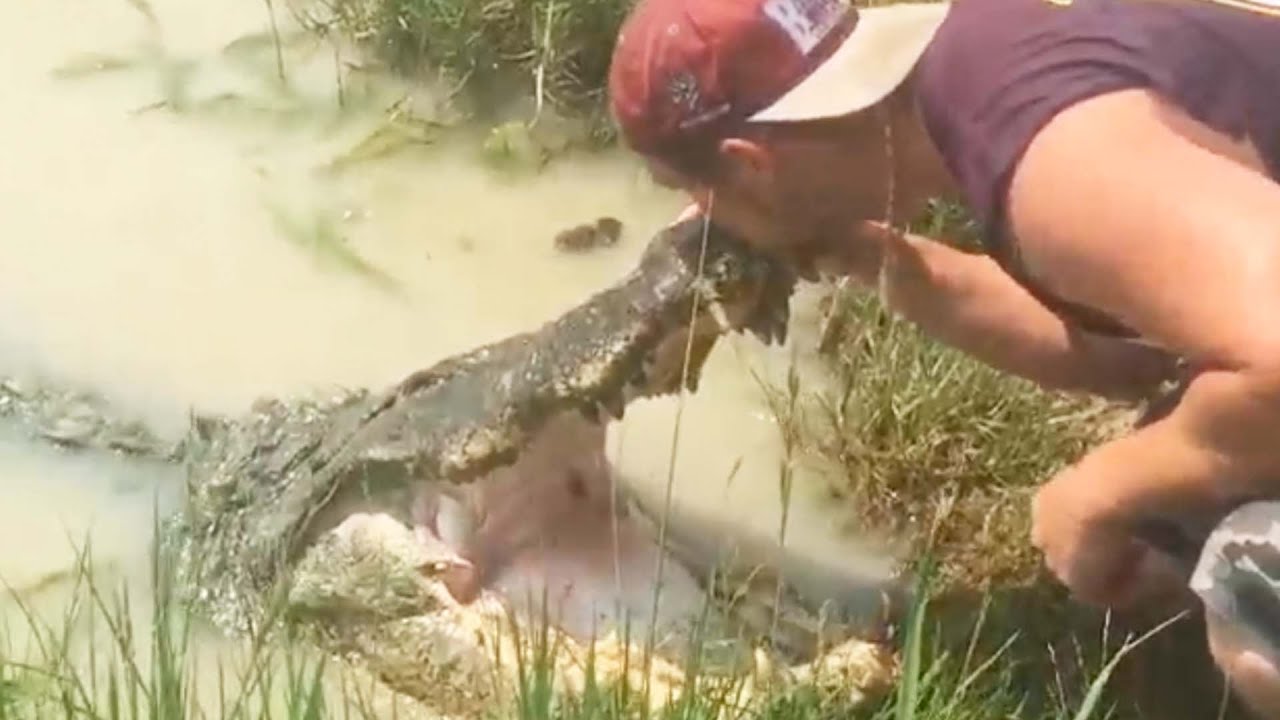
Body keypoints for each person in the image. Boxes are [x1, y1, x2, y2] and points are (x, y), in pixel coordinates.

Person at [605, 0, 1280, 715]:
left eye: (690, 191)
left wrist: (1100, 493)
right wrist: (890, 265)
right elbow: (1134, 348)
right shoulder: (976, 65)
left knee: (1250, 591)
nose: (698, 220)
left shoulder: (1044, 154)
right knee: (1180, 508)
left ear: (748, 166)